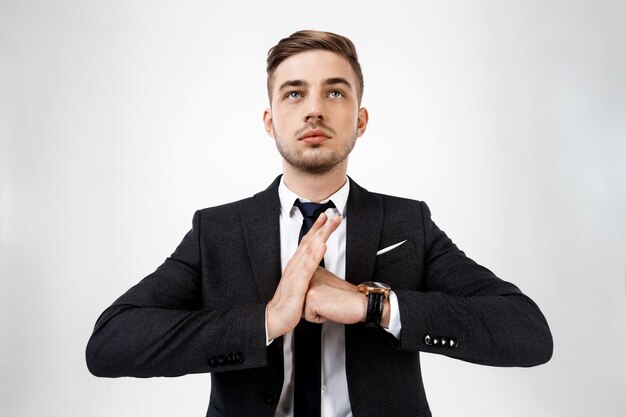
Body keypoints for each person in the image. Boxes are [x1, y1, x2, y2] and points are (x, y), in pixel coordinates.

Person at [86, 30, 553, 417]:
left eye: (334, 91)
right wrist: (269, 318)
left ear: (360, 119)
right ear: (270, 121)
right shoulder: (218, 230)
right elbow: (109, 344)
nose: (314, 109)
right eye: (294, 93)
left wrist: (373, 307)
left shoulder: (409, 223)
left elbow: (527, 332)